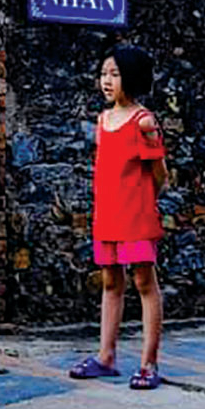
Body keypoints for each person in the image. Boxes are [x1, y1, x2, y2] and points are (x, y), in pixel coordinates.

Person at [68, 44, 169, 390]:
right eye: (103, 74)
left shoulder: (144, 121)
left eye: (115, 74)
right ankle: (106, 356)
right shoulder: (103, 120)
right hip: (107, 216)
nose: (106, 81)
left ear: (132, 77)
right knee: (111, 283)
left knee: (144, 283)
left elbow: (160, 174)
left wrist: (143, 203)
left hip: (136, 217)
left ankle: (148, 363)